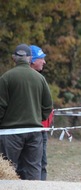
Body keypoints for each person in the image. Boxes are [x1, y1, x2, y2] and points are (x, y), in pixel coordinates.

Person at [0, 43, 53, 180]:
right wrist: (35, 117)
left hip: (10, 133)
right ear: (30, 59)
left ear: (13, 58)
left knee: (8, 173)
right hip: (34, 132)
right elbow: (48, 106)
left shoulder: (6, 78)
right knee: (33, 171)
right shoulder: (40, 78)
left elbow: (0, 107)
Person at [30, 45, 54, 180]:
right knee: (34, 164)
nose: (44, 62)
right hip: (35, 128)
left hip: (43, 128)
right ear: (32, 60)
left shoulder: (40, 79)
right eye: (41, 58)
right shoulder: (29, 80)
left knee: (42, 164)